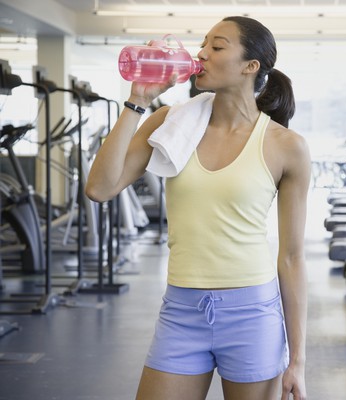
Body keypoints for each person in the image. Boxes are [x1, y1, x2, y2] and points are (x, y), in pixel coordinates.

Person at [86, 16, 310, 400]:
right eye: (202, 44)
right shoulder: (170, 122)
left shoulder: (285, 145)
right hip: (182, 309)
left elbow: (291, 257)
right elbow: (100, 187)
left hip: (252, 315)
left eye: (217, 47)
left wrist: (298, 362)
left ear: (250, 66)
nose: (201, 53)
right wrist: (137, 100)